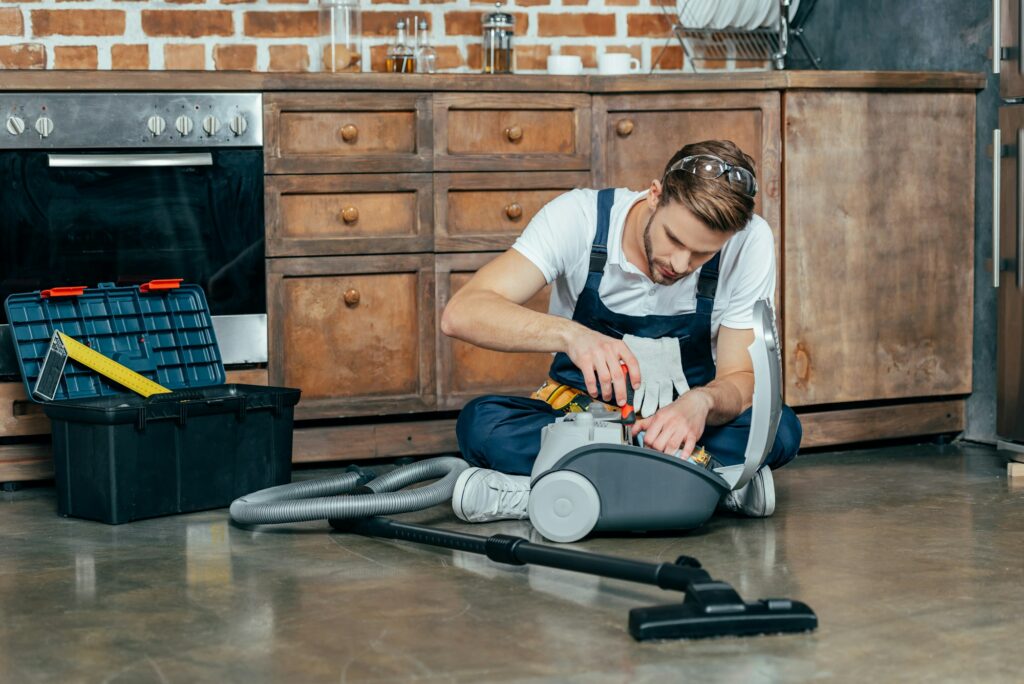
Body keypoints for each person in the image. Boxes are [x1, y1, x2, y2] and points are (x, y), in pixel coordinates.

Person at [440, 139, 802, 524]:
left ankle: (542, 494)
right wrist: (572, 335)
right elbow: (462, 312)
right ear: (654, 195)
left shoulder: (750, 240)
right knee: (482, 424)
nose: (680, 263)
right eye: (675, 240)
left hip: (685, 429)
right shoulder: (579, 218)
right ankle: (711, 484)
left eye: (703, 254)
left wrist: (703, 404)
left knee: (780, 429)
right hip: (579, 423)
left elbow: (740, 378)